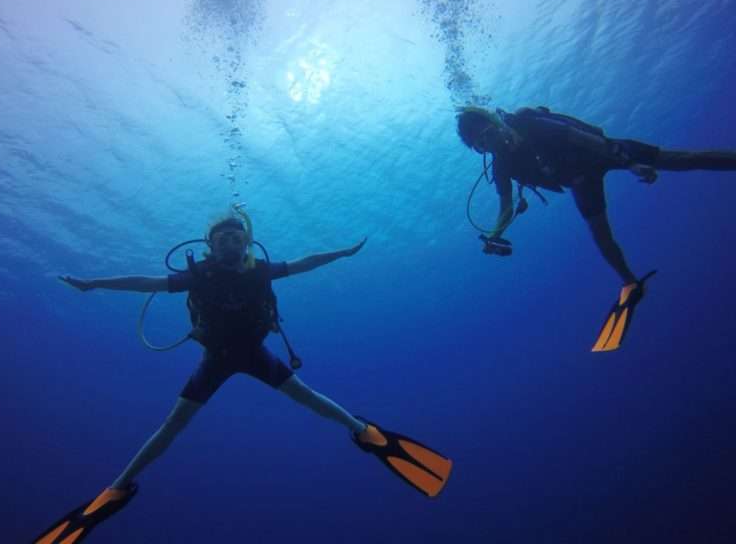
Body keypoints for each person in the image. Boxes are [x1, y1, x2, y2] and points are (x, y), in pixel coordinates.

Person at [36, 209, 451, 543]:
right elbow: (145, 281)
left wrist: (340, 254)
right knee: (172, 425)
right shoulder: (196, 276)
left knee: (307, 397)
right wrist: (93, 284)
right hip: (216, 358)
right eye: (221, 239)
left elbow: (306, 263)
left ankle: (366, 433)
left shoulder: (260, 271)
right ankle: (115, 489)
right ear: (210, 246)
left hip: (253, 353)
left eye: (236, 237)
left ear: (247, 243)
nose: (229, 242)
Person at [456, 105, 736, 350]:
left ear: (495, 123)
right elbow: (505, 206)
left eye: (488, 133)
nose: (490, 143)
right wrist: (495, 235)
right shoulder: (501, 166)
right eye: (481, 144)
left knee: (680, 160)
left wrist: (630, 163)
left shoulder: (528, 125)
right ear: (478, 150)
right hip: (580, 181)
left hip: (601, 152)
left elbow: (584, 138)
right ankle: (630, 283)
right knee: (601, 237)